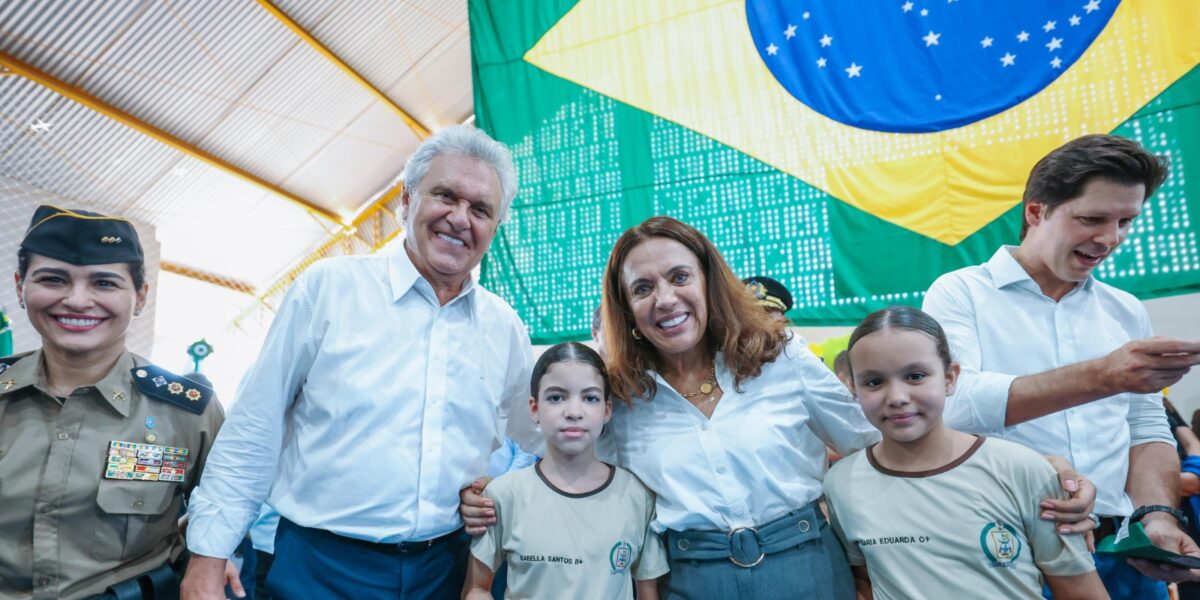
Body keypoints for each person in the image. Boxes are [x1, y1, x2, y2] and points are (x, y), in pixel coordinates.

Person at [457, 217, 1094, 599]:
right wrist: (494, 493)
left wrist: (1027, 466)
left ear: (709, 279)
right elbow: (571, 475)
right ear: (625, 309)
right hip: (691, 575)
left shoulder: (778, 354)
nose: (665, 298)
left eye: (680, 277)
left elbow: (879, 433)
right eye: (642, 288)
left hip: (805, 563)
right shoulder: (620, 394)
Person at [180, 125, 539, 600]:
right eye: (445, 196)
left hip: (446, 570)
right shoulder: (328, 290)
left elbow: (540, 437)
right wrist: (207, 559)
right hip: (320, 569)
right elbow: (253, 428)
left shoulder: (505, 328)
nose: (459, 218)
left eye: (480, 209)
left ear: (496, 226)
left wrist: (502, 488)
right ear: (406, 200)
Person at [922, 134, 1200, 598]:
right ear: (1036, 211)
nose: (1110, 239)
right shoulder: (959, 292)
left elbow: (1146, 428)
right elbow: (956, 405)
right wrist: (1103, 375)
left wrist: (1156, 515)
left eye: (1125, 221)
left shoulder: (1125, 310)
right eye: (1092, 219)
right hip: (1009, 548)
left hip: (1121, 549)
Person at [0, 205, 228, 599]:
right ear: (21, 286)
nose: (76, 300)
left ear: (139, 296)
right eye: (53, 279)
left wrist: (218, 561)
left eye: (104, 283)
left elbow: (227, 507)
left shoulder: (189, 413)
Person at [825, 306, 1108, 599]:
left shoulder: (1022, 470)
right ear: (853, 388)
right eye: (874, 382)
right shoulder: (843, 484)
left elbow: (1082, 592)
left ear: (950, 378)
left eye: (916, 376)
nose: (897, 397)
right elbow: (865, 581)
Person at [463, 342, 668, 599]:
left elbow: (648, 592)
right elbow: (476, 587)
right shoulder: (504, 495)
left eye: (590, 398)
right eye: (556, 397)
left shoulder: (635, 494)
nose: (573, 412)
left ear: (606, 410)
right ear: (534, 408)